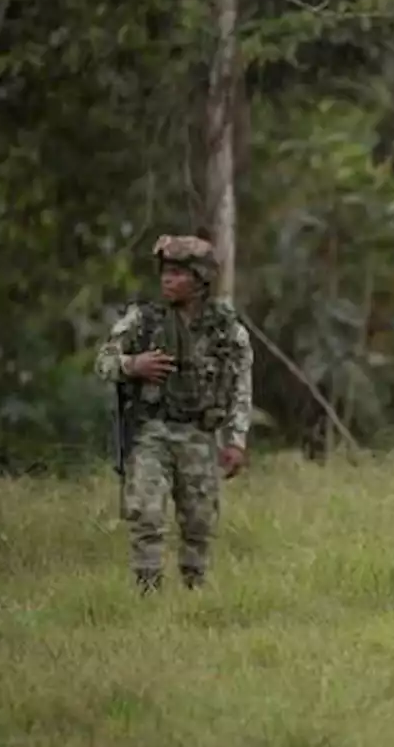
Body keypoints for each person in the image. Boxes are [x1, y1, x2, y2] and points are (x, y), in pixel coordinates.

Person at [94, 234, 253, 593]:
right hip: (151, 431)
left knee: (199, 521)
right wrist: (132, 364)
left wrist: (236, 441)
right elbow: (103, 361)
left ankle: (194, 590)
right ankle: (147, 590)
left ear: (200, 280)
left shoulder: (227, 330)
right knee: (146, 513)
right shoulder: (142, 320)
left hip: (199, 434)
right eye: (165, 271)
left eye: (179, 273)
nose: (168, 279)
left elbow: (242, 385)